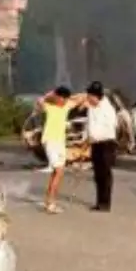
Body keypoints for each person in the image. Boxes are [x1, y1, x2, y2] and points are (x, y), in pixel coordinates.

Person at [38, 86, 77, 213]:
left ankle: (49, 200)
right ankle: (50, 203)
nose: (64, 101)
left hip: (60, 142)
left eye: (65, 99)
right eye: (62, 98)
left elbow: (80, 99)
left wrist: (69, 97)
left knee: (57, 173)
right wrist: (52, 93)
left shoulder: (66, 107)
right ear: (58, 97)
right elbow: (40, 100)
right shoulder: (50, 108)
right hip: (50, 141)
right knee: (58, 172)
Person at [84, 81, 118, 212]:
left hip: (106, 144)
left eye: (90, 96)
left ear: (97, 96)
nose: (88, 98)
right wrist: (87, 138)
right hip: (95, 144)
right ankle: (99, 201)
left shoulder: (108, 109)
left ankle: (105, 203)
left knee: (105, 174)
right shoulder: (91, 108)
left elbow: (110, 127)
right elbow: (89, 126)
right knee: (98, 175)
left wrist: (95, 136)